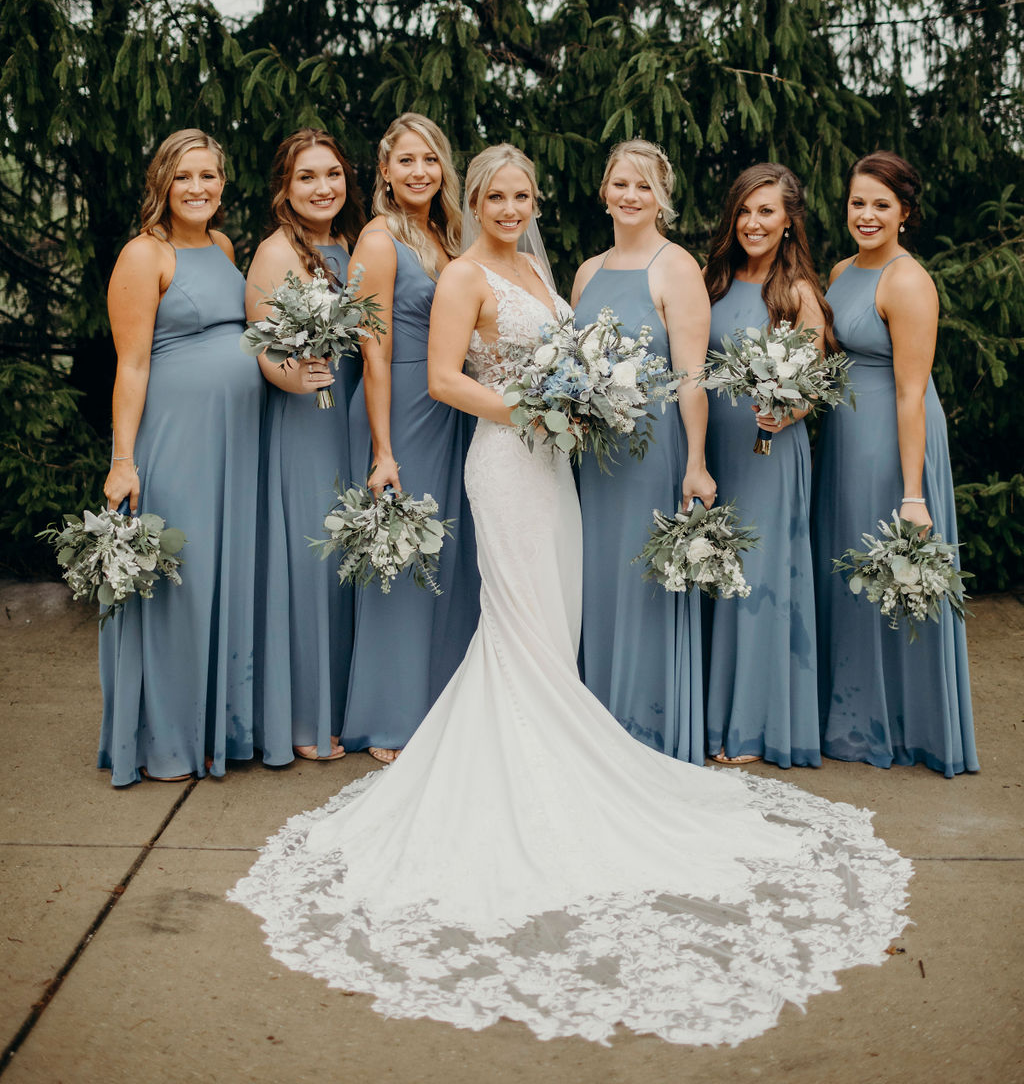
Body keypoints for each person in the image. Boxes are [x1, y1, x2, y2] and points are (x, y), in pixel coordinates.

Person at [230, 143, 911, 1048]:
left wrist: (577, 410)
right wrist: (537, 412)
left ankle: (560, 744)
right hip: (509, 462)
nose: (509, 208)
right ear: (474, 201)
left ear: (537, 201)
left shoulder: (551, 272)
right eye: (495, 196)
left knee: (554, 619)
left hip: (560, 471)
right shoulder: (469, 271)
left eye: (521, 195)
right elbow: (443, 378)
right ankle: (532, 769)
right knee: (516, 620)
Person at [99, 129, 263, 785]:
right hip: (177, 437)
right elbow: (132, 364)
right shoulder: (145, 255)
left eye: (210, 176)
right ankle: (166, 737)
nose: (198, 188)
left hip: (236, 439)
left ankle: (217, 728)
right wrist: (123, 459)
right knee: (179, 581)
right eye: (185, 176)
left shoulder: (222, 248)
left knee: (221, 576)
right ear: (162, 182)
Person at [812, 151, 978, 778]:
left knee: (886, 566)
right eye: (858, 202)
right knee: (847, 567)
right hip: (845, 444)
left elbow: (912, 391)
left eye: (882, 204)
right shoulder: (841, 269)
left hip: (892, 441)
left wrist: (914, 492)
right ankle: (849, 717)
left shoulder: (908, 281)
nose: (867, 215)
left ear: (905, 213)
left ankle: (899, 724)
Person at [341, 113, 478, 763]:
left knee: (444, 554)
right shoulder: (377, 239)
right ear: (386, 173)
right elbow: (372, 348)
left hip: (450, 406)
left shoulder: (447, 235)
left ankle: (436, 705)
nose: (420, 171)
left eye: (431, 160)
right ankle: (388, 719)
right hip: (398, 406)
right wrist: (382, 447)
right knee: (402, 554)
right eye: (407, 161)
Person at [572, 140, 715, 761]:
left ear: (663, 197)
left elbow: (691, 377)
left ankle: (646, 729)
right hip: (591, 458)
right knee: (594, 580)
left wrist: (696, 464)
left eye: (645, 186)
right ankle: (594, 719)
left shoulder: (676, 265)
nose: (631, 196)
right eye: (620, 184)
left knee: (642, 582)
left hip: (651, 452)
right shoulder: (585, 271)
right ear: (604, 190)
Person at [702, 164, 831, 768]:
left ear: (788, 222)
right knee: (712, 573)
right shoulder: (714, 281)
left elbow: (815, 383)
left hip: (768, 453)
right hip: (712, 452)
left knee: (756, 580)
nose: (754, 223)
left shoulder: (797, 293)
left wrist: (790, 410)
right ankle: (709, 715)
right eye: (745, 211)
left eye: (767, 213)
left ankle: (753, 727)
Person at [249, 130, 366, 766]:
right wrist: (294, 374)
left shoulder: (351, 244)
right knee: (312, 562)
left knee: (348, 556)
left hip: (348, 414)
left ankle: (347, 706)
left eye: (332, 175)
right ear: (285, 189)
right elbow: (261, 345)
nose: (323, 188)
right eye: (306, 178)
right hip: (305, 416)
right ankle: (302, 715)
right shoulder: (273, 253)